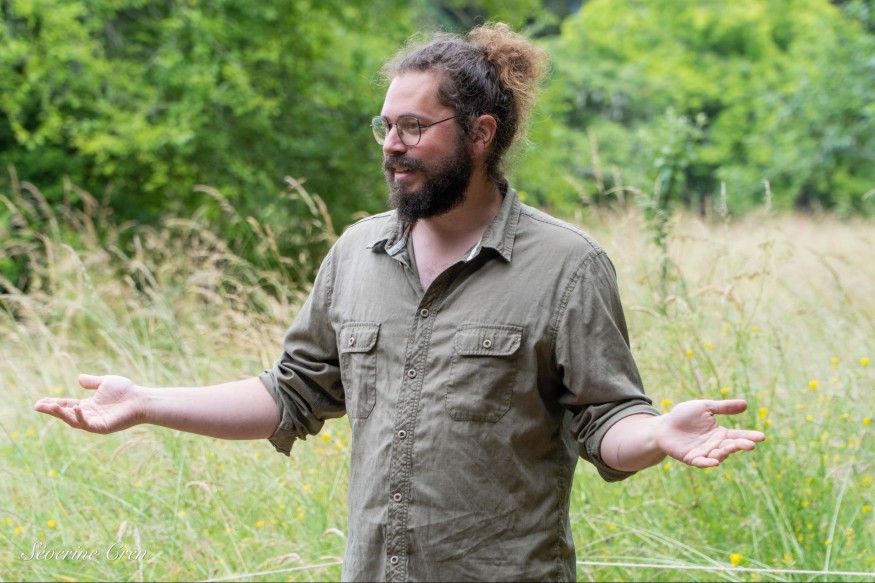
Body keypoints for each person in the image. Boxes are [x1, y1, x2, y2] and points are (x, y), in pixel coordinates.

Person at [35, 22, 766, 582]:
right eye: (385, 125)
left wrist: (657, 433)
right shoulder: (356, 253)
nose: (391, 143)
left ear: (480, 134)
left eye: (414, 126)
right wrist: (147, 402)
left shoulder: (566, 265)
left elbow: (604, 421)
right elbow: (291, 393)